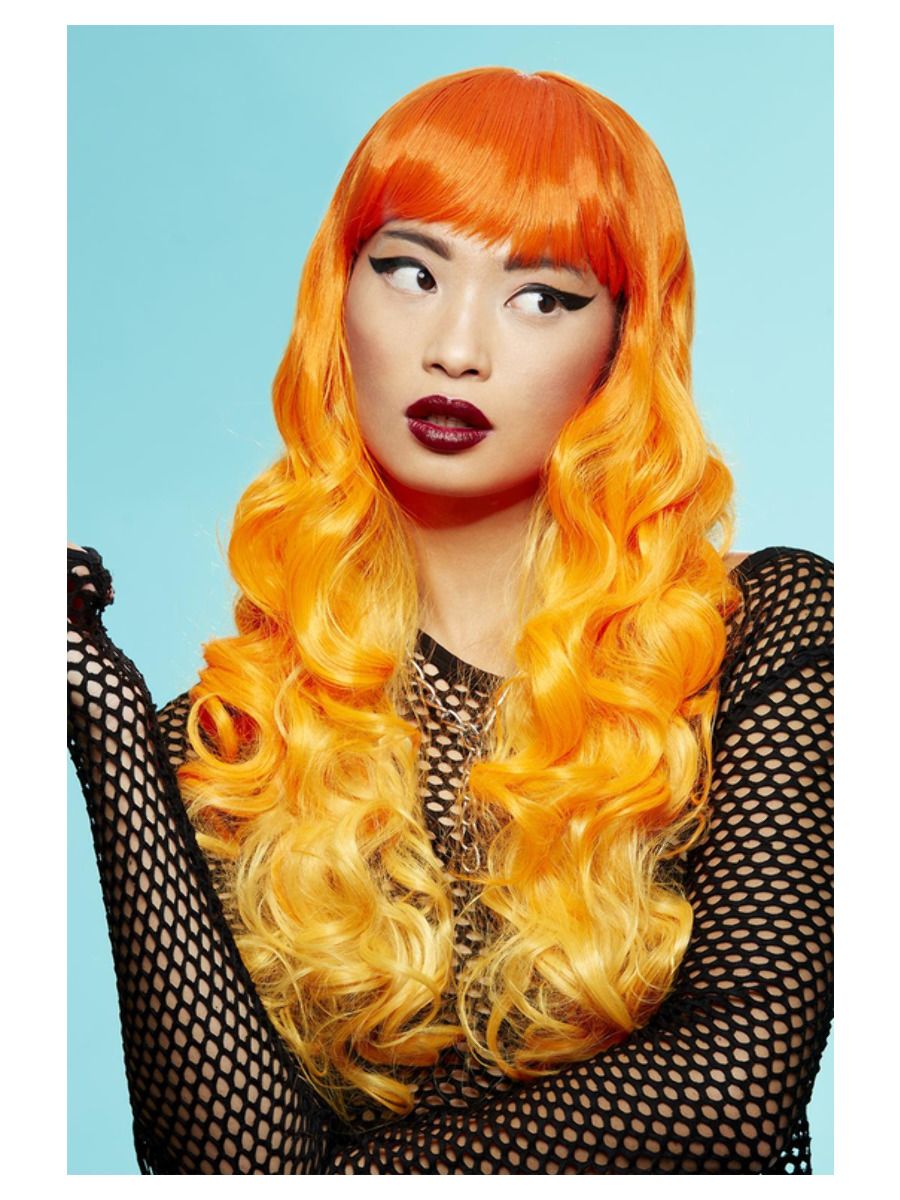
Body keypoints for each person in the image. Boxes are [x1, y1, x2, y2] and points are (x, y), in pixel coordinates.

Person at [67, 66, 833, 1175]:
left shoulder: (765, 635)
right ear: (339, 300)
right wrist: (106, 730)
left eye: (542, 297)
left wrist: (327, 1186)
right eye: (411, 272)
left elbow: (736, 1090)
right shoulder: (231, 744)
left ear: (620, 344)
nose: (458, 347)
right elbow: (220, 1175)